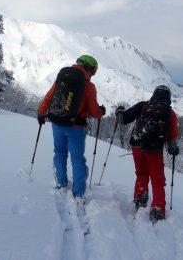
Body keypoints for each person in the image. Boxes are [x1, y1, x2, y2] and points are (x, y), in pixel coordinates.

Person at [37, 55, 105, 204]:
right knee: (77, 160)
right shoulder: (88, 86)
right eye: (93, 71)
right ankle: (78, 194)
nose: (93, 74)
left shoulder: (62, 77)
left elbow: (49, 97)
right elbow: (94, 112)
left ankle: (61, 184)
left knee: (60, 154)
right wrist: (101, 111)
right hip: (76, 127)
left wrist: (41, 113)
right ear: (89, 68)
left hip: (57, 124)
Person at [115, 85, 179, 222]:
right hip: (154, 149)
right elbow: (172, 141)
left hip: (137, 146)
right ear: (168, 98)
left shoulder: (143, 105)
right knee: (157, 180)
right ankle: (157, 209)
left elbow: (123, 119)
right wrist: (173, 149)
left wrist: (119, 110)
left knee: (141, 173)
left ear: (154, 94)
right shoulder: (170, 113)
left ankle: (140, 197)